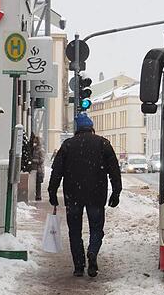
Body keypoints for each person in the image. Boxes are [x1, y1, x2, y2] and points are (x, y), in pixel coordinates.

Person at [48, 113, 122, 277]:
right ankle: (93, 251)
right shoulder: (103, 144)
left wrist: (52, 192)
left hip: (73, 195)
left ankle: (79, 266)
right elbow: (114, 170)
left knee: (74, 232)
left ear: (77, 129)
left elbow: (56, 172)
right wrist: (116, 191)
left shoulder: (68, 145)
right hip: (96, 194)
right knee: (96, 228)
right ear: (91, 128)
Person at [31, 134, 45, 201]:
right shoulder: (33, 149)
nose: (34, 143)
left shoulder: (40, 150)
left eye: (36, 142)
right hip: (34, 169)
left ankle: (38, 196)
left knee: (38, 183)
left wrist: (33, 160)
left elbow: (41, 160)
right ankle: (36, 195)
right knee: (35, 183)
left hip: (39, 169)